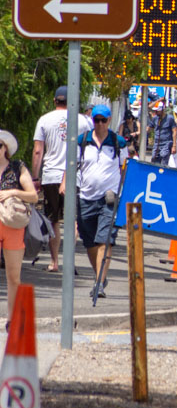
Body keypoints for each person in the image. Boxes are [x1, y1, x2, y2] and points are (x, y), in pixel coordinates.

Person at [32, 85, 92, 273]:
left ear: (54, 101)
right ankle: (69, 260)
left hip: (51, 175)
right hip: (76, 175)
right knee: (72, 220)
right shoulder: (85, 121)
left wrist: (35, 177)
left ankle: (54, 262)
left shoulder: (45, 119)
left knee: (53, 220)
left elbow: (38, 150)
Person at [72, 104, 127, 295]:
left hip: (109, 199)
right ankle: (101, 277)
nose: (100, 124)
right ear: (92, 120)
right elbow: (71, 165)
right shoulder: (82, 141)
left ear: (109, 120)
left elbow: (125, 169)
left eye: (104, 120)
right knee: (90, 242)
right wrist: (65, 183)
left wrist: (123, 191)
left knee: (105, 240)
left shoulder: (118, 142)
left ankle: (98, 284)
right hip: (86, 197)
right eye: (97, 120)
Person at [0, 130, 38, 326]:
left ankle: (12, 318)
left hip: (13, 224)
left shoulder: (17, 168)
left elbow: (33, 196)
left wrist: (12, 192)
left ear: (5, 148)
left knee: (13, 275)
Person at [147, 99, 177, 166]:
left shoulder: (170, 118)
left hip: (166, 143)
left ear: (162, 110)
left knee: (164, 158)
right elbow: (149, 128)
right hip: (157, 144)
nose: (156, 112)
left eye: (157, 111)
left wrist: (174, 146)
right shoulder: (155, 118)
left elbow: (175, 131)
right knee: (154, 160)